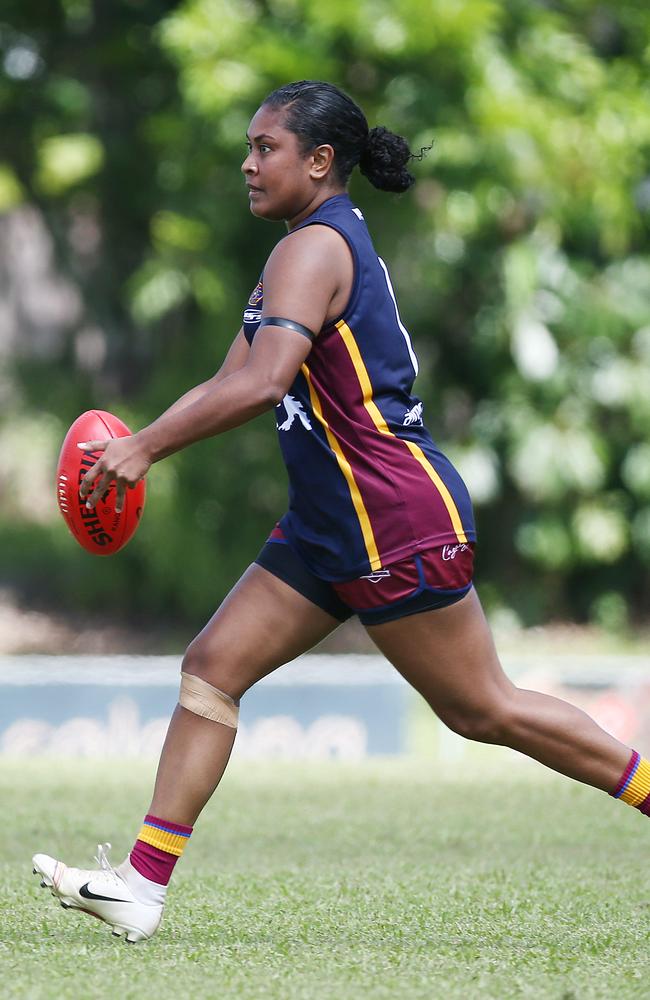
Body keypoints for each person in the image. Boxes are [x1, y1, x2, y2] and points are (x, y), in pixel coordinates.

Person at [32, 80, 650, 943]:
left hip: (387, 516)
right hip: (332, 521)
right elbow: (225, 378)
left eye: (266, 149)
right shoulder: (297, 248)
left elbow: (262, 384)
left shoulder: (314, 247)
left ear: (320, 162)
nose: (248, 165)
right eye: (249, 148)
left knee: (483, 710)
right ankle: (141, 884)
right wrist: (143, 438)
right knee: (213, 666)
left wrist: (143, 450)